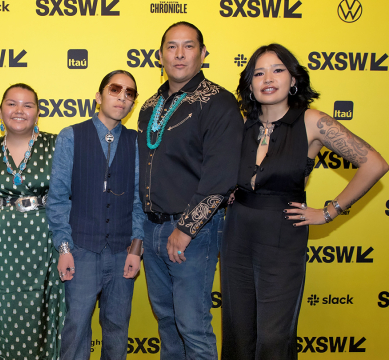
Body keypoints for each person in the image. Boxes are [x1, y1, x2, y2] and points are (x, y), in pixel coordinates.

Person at [220, 43, 389, 360]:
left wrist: (330, 211)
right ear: (250, 85)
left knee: (273, 339)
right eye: (259, 72)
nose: (268, 77)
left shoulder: (312, 121)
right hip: (237, 236)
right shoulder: (241, 124)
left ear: (293, 79)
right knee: (237, 335)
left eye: (277, 69)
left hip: (283, 238)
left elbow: (375, 164)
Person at [137, 22, 243, 359]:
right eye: (171, 46)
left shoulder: (219, 102)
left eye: (188, 46)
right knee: (167, 321)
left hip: (192, 232)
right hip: (152, 228)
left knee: (192, 324)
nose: (179, 54)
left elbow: (222, 176)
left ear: (203, 53)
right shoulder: (149, 105)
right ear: (160, 55)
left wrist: (186, 228)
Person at [47, 70, 144, 360]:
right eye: (115, 89)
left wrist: (136, 250)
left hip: (121, 251)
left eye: (129, 93)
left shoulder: (137, 142)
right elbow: (58, 199)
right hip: (81, 251)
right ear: (98, 96)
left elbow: (140, 200)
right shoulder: (71, 136)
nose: (122, 97)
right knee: (76, 330)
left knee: (117, 331)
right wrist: (64, 248)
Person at [0, 83, 65, 360]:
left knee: (42, 309)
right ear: (0, 110)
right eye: (12, 104)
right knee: (2, 310)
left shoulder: (58, 145)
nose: (19, 110)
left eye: (27, 105)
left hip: (46, 238)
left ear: (38, 112)